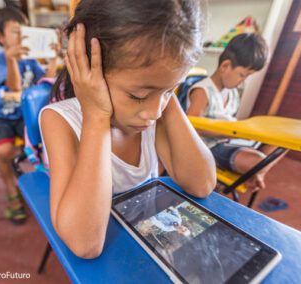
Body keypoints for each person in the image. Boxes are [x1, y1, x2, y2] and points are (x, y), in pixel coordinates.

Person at [39, 0, 216, 258]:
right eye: (138, 95)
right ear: (88, 68)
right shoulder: (59, 120)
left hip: (149, 243)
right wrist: (97, 115)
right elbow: (84, 244)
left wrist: (165, 87)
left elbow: (202, 184)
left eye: (171, 90)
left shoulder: (158, 109)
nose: (154, 113)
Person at [0, 7, 58, 224]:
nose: (22, 36)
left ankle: (37, 168)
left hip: (23, 115)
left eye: (24, 31)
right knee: (3, 151)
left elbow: (45, 82)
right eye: (16, 31)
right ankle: (12, 194)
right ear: (0, 36)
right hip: (2, 115)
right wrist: (11, 61)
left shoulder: (29, 60)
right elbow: (13, 87)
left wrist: (53, 58)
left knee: (52, 141)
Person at [187, 33, 284, 192]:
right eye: (242, 75)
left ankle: (255, 172)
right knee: (260, 161)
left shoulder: (232, 93)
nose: (242, 81)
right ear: (225, 66)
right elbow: (193, 126)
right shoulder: (203, 91)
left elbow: (230, 120)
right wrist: (233, 133)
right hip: (211, 147)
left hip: (229, 142)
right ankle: (256, 173)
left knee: (279, 145)